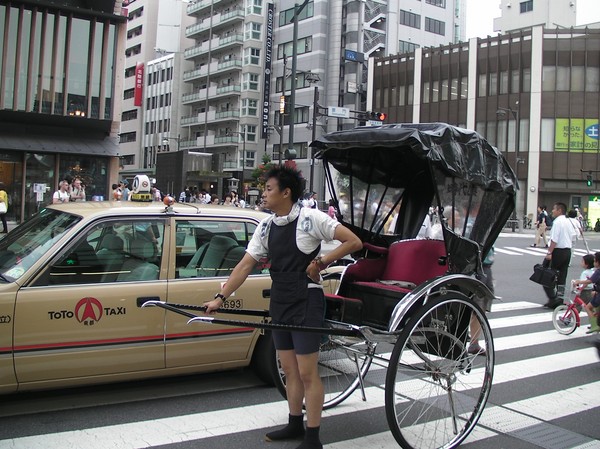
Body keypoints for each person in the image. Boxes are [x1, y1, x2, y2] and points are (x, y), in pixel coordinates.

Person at [204, 165, 362, 449]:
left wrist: (322, 262)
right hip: (280, 301)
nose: (263, 194)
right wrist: (220, 297)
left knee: (307, 372)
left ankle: (313, 437)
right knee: (288, 370)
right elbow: (245, 265)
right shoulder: (266, 226)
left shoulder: (310, 219)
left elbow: (353, 241)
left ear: (286, 192)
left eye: (268, 189)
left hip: (306, 300)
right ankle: (294, 424)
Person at [543, 202, 573, 309]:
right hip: (567, 251)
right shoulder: (568, 221)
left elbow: (554, 239)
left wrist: (549, 252)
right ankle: (560, 299)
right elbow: (573, 236)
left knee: (547, 275)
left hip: (557, 251)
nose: (552, 211)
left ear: (559, 210)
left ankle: (553, 299)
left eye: (554, 209)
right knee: (562, 278)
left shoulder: (557, 222)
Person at [469, 245, 495, 355]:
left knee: (480, 307)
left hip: (484, 266)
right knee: (477, 307)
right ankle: (473, 342)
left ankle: (474, 342)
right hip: (477, 267)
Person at [571, 252, 600, 334]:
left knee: (588, 307)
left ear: (598, 262)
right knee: (595, 309)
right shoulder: (594, 271)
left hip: (598, 294)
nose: (594, 263)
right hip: (595, 292)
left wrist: (579, 281)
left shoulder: (598, 271)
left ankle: (594, 326)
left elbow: (590, 281)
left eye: (595, 261)